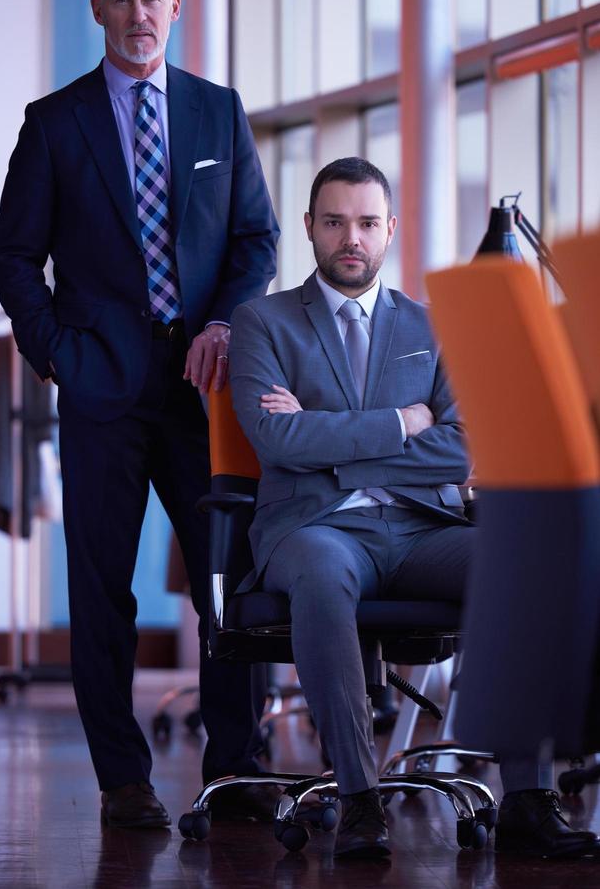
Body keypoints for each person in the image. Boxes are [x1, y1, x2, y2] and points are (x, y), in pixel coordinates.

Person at [0, 0, 279, 828]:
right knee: (102, 585)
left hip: (206, 385)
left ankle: (237, 769)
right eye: (121, 0)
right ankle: (123, 781)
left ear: (175, 6)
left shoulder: (218, 113)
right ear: (97, 10)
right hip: (101, 388)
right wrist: (55, 353)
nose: (139, 15)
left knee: (228, 579)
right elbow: (12, 257)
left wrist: (226, 321)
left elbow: (255, 239)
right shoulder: (54, 122)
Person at [229, 157, 598, 859]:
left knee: (521, 564)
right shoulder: (263, 322)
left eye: (367, 223)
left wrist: (325, 438)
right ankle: (360, 799)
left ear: (389, 229)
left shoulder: (430, 326)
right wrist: (404, 420)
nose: (351, 239)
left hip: (421, 529)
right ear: (308, 227)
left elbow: (463, 448)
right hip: (316, 528)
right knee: (318, 574)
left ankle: (527, 795)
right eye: (334, 222)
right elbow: (276, 436)